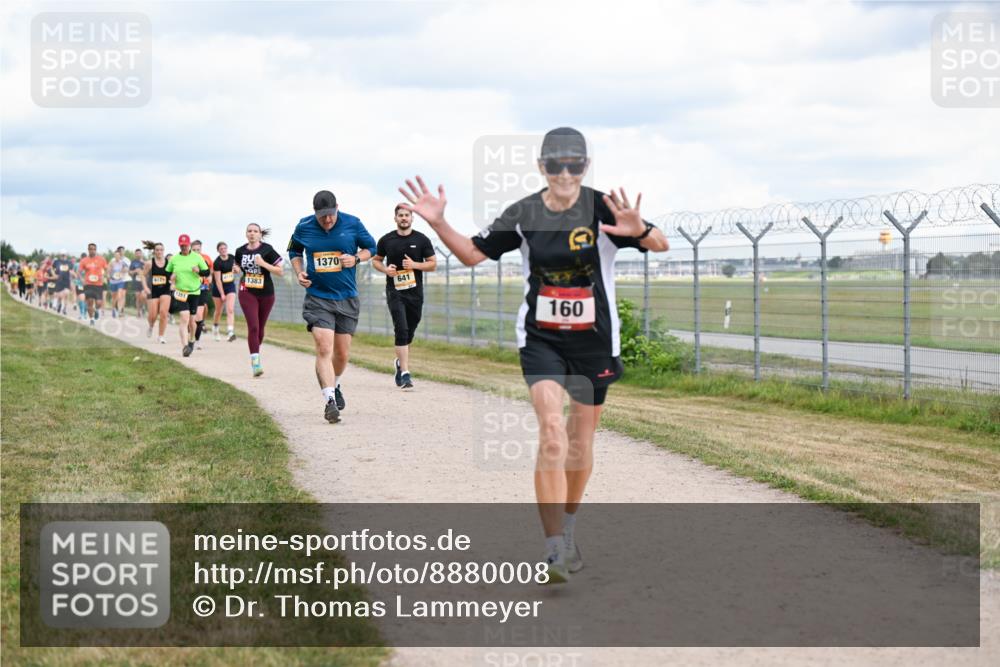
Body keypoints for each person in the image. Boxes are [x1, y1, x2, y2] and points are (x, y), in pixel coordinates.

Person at [399, 127, 670, 583]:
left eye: (575, 165)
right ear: (541, 167)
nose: (566, 173)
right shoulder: (523, 213)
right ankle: (553, 552)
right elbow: (470, 254)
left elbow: (659, 244)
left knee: (580, 440)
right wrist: (438, 223)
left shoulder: (604, 207)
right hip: (541, 338)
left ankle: (568, 529)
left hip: (595, 341)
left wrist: (639, 230)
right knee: (551, 432)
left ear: (586, 166)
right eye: (556, 164)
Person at [287, 190, 376, 423]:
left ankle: (335, 385)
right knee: (323, 347)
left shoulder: (353, 223)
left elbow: (372, 248)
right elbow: (294, 251)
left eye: (331, 215)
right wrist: (299, 272)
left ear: (338, 207)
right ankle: (329, 401)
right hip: (318, 297)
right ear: (315, 212)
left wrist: (356, 258)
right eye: (322, 216)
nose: (327, 220)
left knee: (342, 354)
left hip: (347, 297)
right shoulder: (303, 226)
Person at [372, 204, 437, 389]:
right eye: (400, 215)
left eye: (407, 215)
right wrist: (385, 269)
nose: (404, 218)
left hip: (415, 293)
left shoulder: (421, 239)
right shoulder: (386, 240)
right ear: (395, 218)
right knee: (401, 328)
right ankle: (406, 373)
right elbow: (376, 260)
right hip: (395, 292)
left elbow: (432, 264)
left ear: (412, 218)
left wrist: (414, 265)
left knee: (410, 329)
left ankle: (400, 362)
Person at [235, 224, 283, 376]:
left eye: (255, 231)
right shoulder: (240, 251)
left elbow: (280, 271)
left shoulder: (267, 249)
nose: (252, 234)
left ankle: (255, 350)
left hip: (266, 293)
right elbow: (237, 266)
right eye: (249, 231)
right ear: (246, 234)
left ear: (260, 234)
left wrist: (263, 263)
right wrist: (235, 269)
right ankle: (255, 362)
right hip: (247, 291)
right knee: (253, 327)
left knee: (260, 330)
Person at [166, 234, 210, 357]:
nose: (184, 247)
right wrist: (171, 278)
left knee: (192, 321)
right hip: (180, 292)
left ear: (189, 245)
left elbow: (207, 272)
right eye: (182, 245)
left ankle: (192, 340)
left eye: (186, 245)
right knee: (184, 317)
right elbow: (166, 273)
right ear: (179, 245)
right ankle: (185, 346)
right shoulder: (174, 259)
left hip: (194, 292)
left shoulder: (197, 257)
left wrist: (199, 271)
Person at [142, 240, 171, 344]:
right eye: (157, 250)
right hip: (152, 290)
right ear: (154, 251)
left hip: (165, 290)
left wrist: (174, 283)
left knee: (163, 313)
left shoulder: (169, 263)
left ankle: (161, 336)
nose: (159, 252)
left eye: (161, 250)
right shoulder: (149, 263)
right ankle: (151, 326)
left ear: (164, 251)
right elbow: (142, 275)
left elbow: (173, 275)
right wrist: (145, 287)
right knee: (153, 315)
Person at [211, 241, 239, 342]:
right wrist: (222, 294)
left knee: (230, 309)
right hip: (218, 288)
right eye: (221, 249)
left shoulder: (232, 257)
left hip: (230, 286)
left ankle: (230, 332)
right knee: (218, 311)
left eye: (225, 248)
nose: (223, 250)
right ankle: (215, 327)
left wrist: (237, 269)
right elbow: (218, 280)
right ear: (218, 251)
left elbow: (238, 269)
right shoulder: (217, 262)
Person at [190, 240, 214, 348]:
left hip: (203, 288)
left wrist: (210, 277)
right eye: (194, 250)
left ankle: (197, 340)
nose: (196, 252)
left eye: (198, 250)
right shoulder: (188, 259)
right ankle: (190, 335)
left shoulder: (207, 258)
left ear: (201, 249)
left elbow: (211, 270)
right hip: (189, 290)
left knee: (199, 316)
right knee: (190, 317)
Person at [78, 243, 109, 325]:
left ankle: (96, 310)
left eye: (94, 249)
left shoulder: (101, 259)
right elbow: (79, 272)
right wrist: (82, 280)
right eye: (91, 249)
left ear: (96, 250)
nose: (92, 250)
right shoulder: (84, 260)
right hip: (88, 284)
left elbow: (107, 269)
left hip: (98, 284)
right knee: (90, 302)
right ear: (88, 250)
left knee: (99, 303)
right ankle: (91, 319)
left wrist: (105, 276)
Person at [50, 250, 74, 315]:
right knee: (57, 294)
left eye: (64, 255)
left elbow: (71, 271)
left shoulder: (69, 263)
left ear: (66, 255)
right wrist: (54, 274)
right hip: (59, 280)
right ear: (60, 255)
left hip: (66, 281)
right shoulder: (57, 262)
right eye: (62, 255)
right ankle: (58, 304)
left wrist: (73, 275)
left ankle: (64, 309)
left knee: (66, 294)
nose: (63, 256)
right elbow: (51, 268)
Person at [108, 247, 130, 318]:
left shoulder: (123, 263)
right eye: (116, 255)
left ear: (120, 256)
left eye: (118, 255)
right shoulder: (112, 262)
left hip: (121, 281)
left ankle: (120, 310)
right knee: (114, 297)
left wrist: (122, 271)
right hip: (113, 281)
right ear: (114, 256)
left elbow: (126, 269)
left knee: (120, 295)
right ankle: (114, 309)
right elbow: (108, 271)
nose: (117, 256)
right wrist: (110, 276)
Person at [129, 248, 147, 318]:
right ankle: (138, 312)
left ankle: (143, 306)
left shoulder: (145, 262)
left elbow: (149, 270)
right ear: (135, 254)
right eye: (137, 253)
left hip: (144, 281)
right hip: (136, 281)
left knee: (143, 296)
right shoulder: (133, 262)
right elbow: (129, 272)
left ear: (141, 254)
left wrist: (144, 264)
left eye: (139, 253)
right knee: (137, 296)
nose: (138, 254)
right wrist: (135, 271)